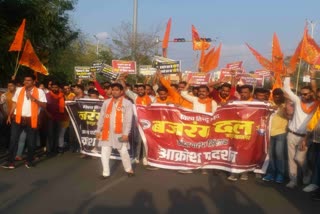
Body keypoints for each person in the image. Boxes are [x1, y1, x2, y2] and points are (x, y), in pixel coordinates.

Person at [2, 74, 47, 169]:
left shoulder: (39, 92)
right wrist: (10, 115)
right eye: (25, 80)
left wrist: (33, 98)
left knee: (31, 141)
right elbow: (15, 103)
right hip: (18, 118)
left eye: (29, 80)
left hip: (32, 119)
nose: (26, 82)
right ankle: (10, 162)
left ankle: (30, 160)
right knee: (13, 140)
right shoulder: (19, 90)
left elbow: (44, 106)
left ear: (34, 82)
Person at [283, 70, 318, 189]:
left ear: (312, 94)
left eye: (307, 94)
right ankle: (293, 180)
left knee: (299, 158)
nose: (304, 96)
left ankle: (307, 172)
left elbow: (315, 88)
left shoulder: (316, 104)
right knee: (291, 158)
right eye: (302, 94)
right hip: (291, 134)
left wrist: (313, 77)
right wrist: (287, 75)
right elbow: (287, 90)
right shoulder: (298, 101)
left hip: (305, 137)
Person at [96, 83, 134, 179]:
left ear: (121, 91)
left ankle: (129, 169)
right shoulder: (106, 102)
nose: (114, 91)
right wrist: (98, 130)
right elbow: (102, 117)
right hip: (107, 132)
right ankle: (105, 173)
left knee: (123, 151)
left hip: (120, 133)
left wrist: (126, 133)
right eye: (113, 89)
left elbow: (129, 119)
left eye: (117, 90)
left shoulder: (127, 103)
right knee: (104, 152)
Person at [180, 84, 218, 174]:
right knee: (192, 147)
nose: (201, 93)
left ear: (208, 93)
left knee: (204, 149)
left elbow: (215, 117)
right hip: (194, 128)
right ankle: (190, 167)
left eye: (204, 91)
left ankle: (204, 168)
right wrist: (189, 84)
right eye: (200, 91)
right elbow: (183, 93)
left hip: (206, 129)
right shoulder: (195, 100)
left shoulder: (213, 103)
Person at [262, 88, 288, 183]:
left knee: (279, 155)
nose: (277, 98)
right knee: (271, 155)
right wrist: (269, 110)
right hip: (269, 133)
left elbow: (289, 116)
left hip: (281, 133)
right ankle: (271, 173)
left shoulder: (285, 105)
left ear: (282, 96)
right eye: (275, 96)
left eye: (279, 96)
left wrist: (281, 108)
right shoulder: (270, 104)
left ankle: (280, 174)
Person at [45, 81, 66, 156]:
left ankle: (55, 149)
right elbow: (44, 106)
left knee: (57, 134)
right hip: (50, 117)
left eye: (56, 87)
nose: (54, 88)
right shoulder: (47, 95)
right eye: (53, 87)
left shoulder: (62, 95)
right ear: (51, 88)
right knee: (50, 134)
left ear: (58, 88)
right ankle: (49, 150)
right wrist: (47, 114)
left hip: (59, 117)